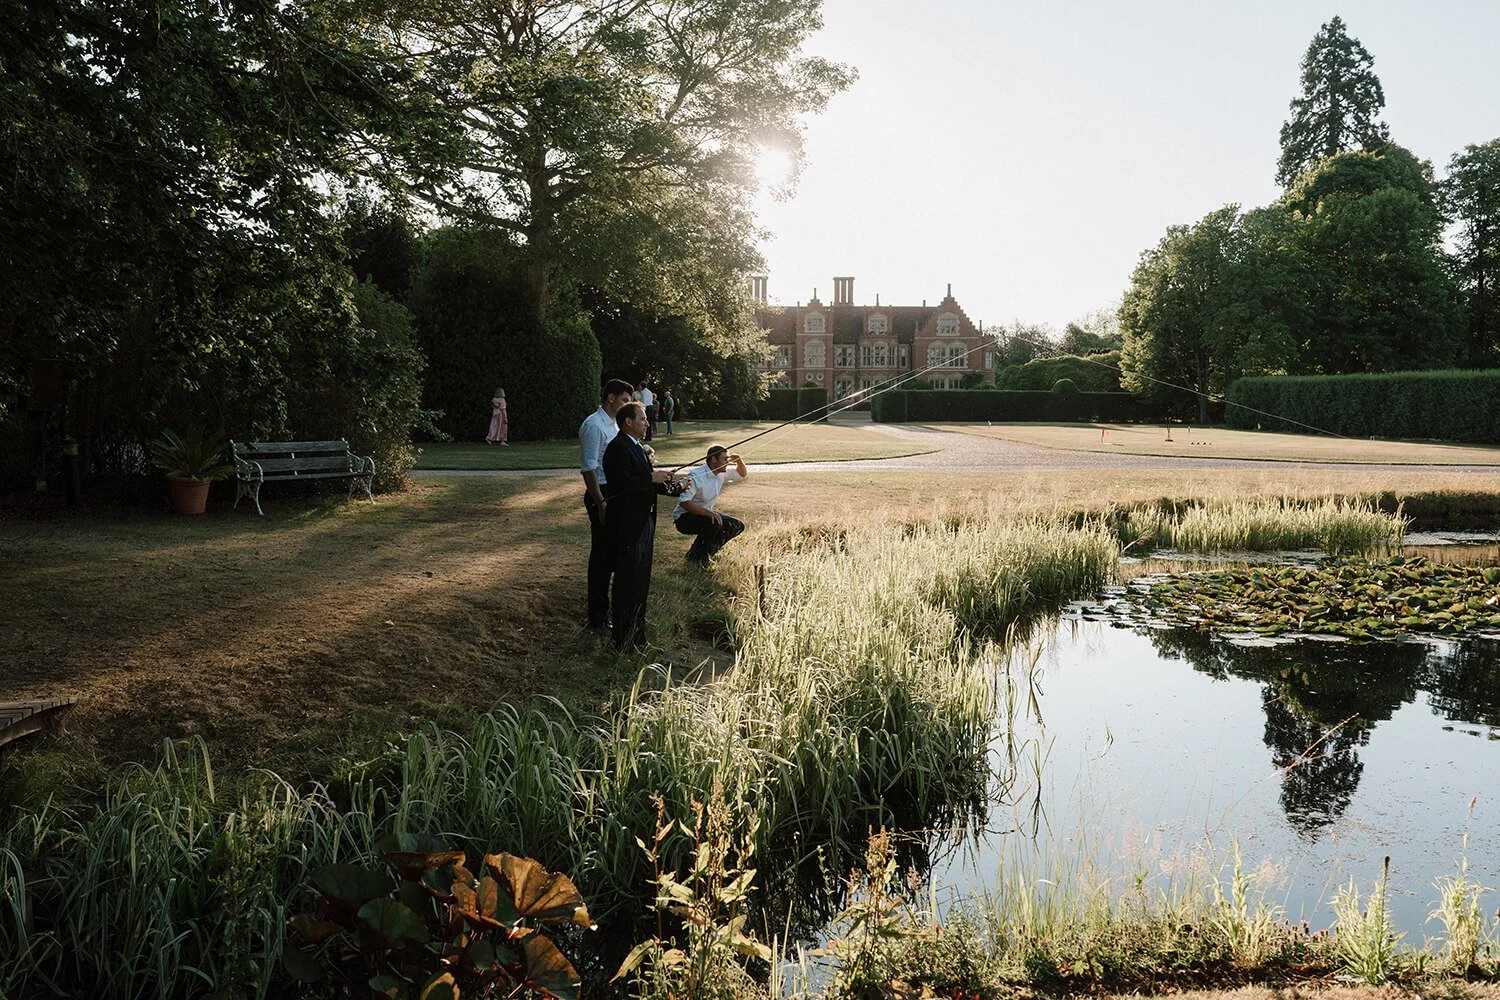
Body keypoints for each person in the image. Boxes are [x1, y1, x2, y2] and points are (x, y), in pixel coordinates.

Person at [601, 401, 678, 650]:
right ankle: (622, 642)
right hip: (627, 526)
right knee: (627, 584)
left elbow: (644, 483)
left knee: (641, 582)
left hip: (645, 522)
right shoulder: (617, 448)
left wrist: (670, 484)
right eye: (643, 419)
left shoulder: (635, 447)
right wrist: (650, 477)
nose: (646, 423)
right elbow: (621, 483)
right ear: (628, 422)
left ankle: (638, 638)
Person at [579, 379, 635, 631]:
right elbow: (589, 468)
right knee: (601, 557)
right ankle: (597, 617)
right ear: (610, 398)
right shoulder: (593, 425)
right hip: (601, 493)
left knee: (613, 554)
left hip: (616, 492)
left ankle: (608, 611)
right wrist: (600, 503)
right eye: (624, 400)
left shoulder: (613, 425)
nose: (627, 405)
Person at [672, 446, 747, 566]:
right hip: (683, 518)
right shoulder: (696, 476)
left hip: (705, 515)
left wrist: (738, 459)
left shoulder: (720, 473)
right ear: (714, 460)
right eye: (724, 459)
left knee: (737, 526)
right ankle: (697, 559)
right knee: (714, 522)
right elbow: (684, 502)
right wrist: (708, 513)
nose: (727, 462)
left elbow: (742, 473)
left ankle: (704, 555)